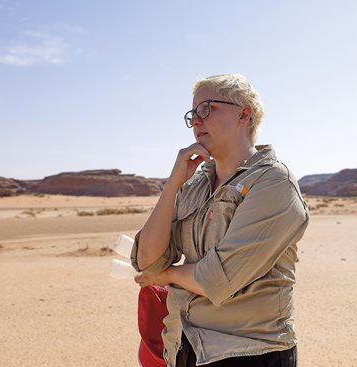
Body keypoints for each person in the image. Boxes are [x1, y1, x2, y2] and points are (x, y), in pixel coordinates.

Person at [131, 74, 309, 367]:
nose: (196, 121)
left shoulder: (273, 183)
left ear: (244, 114)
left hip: (249, 352)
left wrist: (168, 275)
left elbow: (217, 279)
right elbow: (148, 261)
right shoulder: (194, 184)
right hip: (182, 345)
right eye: (192, 115)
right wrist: (172, 184)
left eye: (207, 109)